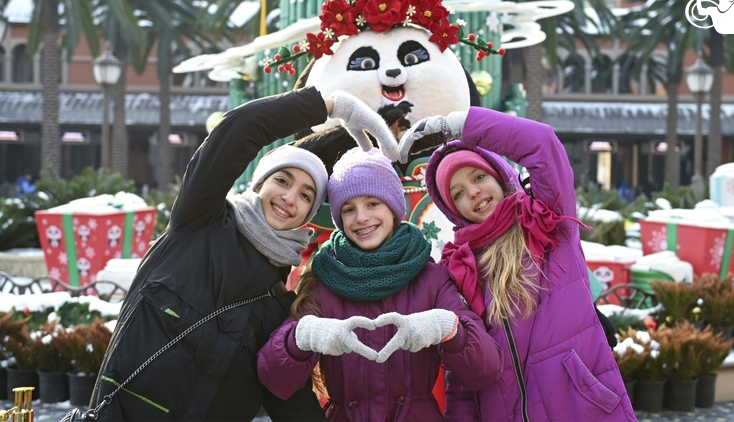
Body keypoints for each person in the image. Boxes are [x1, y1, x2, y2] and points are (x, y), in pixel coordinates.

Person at [90, 87, 398, 421]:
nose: (289, 197)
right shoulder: (197, 224)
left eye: (306, 195)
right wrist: (330, 105)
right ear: (259, 184)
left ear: (309, 215)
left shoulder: (279, 306)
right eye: (282, 180)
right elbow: (238, 130)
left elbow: (288, 398)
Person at [400, 108, 636, 421]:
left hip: (581, 407)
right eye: (458, 193)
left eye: (479, 177)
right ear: (452, 209)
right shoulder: (460, 269)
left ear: (499, 175)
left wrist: (460, 124)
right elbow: (463, 377)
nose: (474, 192)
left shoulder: (548, 221)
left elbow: (542, 143)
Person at [256, 147, 502, 421]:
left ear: (393, 208)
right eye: (349, 209)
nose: (361, 218)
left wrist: (449, 329)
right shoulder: (321, 280)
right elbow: (274, 379)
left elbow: (486, 369)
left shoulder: (432, 277)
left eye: (373, 203)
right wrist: (299, 338)